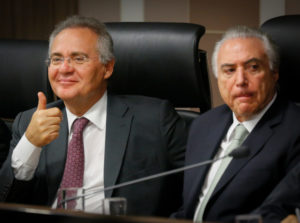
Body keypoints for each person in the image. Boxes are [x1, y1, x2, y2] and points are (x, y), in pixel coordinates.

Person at [0, 15, 187, 217]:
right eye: (56, 59)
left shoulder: (155, 119)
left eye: (79, 58)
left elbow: (198, 192)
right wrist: (30, 144)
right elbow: (6, 200)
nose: (64, 69)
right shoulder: (29, 122)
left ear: (107, 67)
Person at [172, 26, 300, 222]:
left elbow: (278, 211)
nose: (240, 80)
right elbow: (189, 210)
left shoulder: (295, 128)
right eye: (229, 70)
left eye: (253, 68)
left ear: (274, 73)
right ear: (218, 79)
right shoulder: (203, 125)